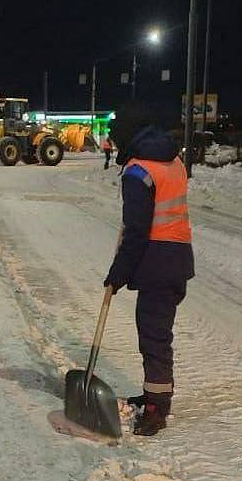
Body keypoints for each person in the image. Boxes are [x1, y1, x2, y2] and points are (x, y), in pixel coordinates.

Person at [104, 104, 194, 436]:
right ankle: (154, 393)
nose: (112, 144)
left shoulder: (137, 171)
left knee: (154, 335)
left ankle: (157, 408)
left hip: (157, 259)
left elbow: (137, 231)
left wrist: (119, 273)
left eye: (114, 138)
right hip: (179, 257)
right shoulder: (174, 161)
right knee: (157, 331)